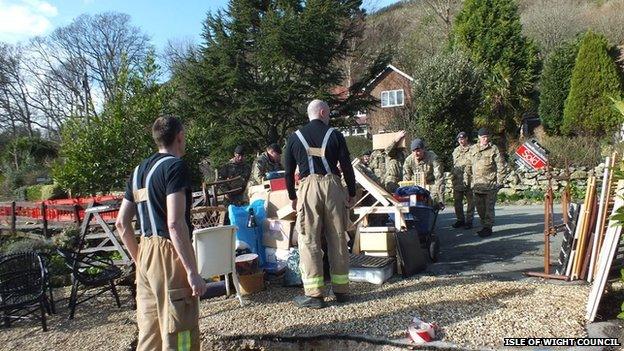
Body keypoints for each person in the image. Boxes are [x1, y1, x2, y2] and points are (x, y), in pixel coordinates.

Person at [115, 115, 206, 351]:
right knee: (180, 328)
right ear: (179, 137)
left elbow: (121, 224)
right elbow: (175, 224)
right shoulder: (175, 167)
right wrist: (192, 272)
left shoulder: (137, 172)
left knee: (150, 332)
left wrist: (140, 261)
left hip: (144, 252)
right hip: (169, 253)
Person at [284, 99, 356, 309]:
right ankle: (341, 291)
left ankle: (315, 295)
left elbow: (288, 172)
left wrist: (292, 196)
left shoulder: (294, 138)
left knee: (309, 240)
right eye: (329, 112)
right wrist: (351, 192)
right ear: (323, 112)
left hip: (308, 189)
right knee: (338, 237)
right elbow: (346, 166)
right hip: (333, 186)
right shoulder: (335, 134)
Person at [464, 128, 505, 237]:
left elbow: (500, 166)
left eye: (487, 137)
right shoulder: (473, 149)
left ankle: (488, 228)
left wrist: (499, 181)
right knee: (480, 209)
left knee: (489, 209)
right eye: (483, 137)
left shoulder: (493, 149)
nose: (485, 139)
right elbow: (468, 166)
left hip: (490, 185)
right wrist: (466, 180)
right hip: (477, 186)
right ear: (479, 137)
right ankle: (484, 225)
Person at [402, 138, 445, 205]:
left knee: (433, 198)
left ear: (423, 149)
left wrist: (440, 199)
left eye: (418, 151)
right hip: (416, 185)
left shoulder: (432, 158)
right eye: (413, 151)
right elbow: (406, 179)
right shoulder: (408, 160)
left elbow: (439, 178)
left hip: (430, 184)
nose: (415, 154)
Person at [451, 131, 475, 229]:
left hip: (470, 179)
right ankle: (460, 220)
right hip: (458, 180)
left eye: (463, 138)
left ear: (466, 138)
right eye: (460, 139)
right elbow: (454, 164)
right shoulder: (456, 151)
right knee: (457, 202)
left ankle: (469, 221)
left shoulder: (473, 149)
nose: (461, 141)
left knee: (471, 202)